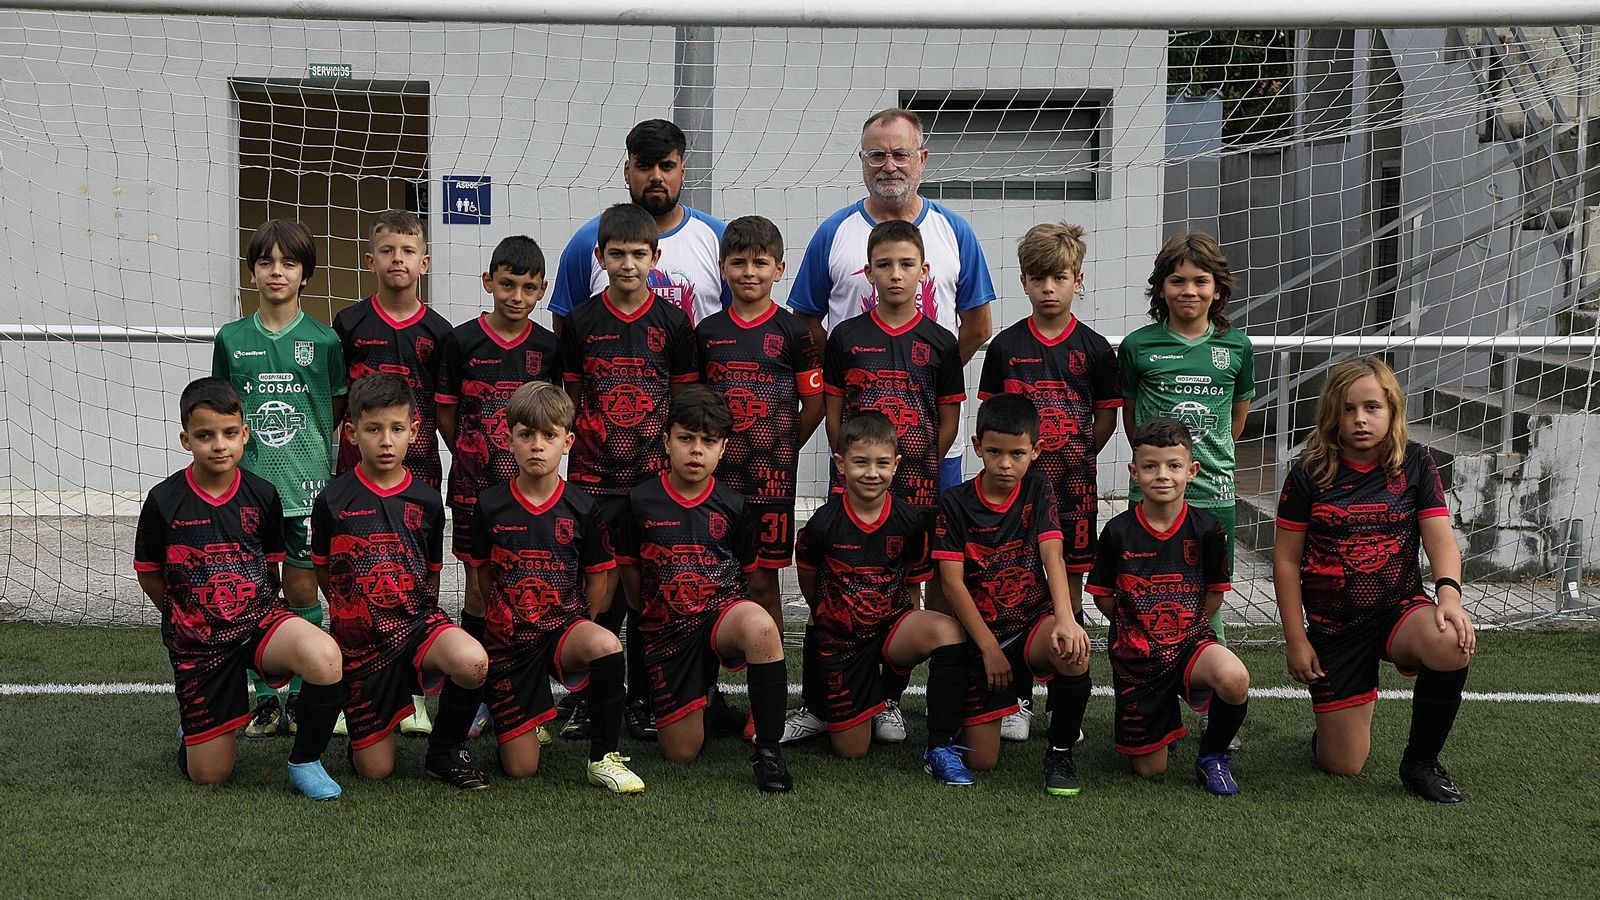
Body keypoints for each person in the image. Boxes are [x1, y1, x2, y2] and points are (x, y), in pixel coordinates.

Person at [1273, 357, 1475, 803]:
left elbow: (1441, 540)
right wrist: (1296, 639)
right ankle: (1332, 730)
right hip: (1334, 628)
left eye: (1371, 407)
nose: (1360, 419)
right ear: (1332, 414)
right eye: (1348, 409)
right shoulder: (1309, 472)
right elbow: (1286, 562)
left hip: (1397, 610)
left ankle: (1421, 762)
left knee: (1450, 639)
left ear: (1393, 411)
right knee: (1343, 765)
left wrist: (1448, 596)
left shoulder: (1417, 463)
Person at [134, 377, 344, 799]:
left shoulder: (263, 495)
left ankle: (305, 761)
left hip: (257, 622)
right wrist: (184, 616)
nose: (219, 445)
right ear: (185, 439)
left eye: (230, 433)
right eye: (205, 435)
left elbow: (268, 566)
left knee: (325, 656)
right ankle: (195, 727)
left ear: (245, 434)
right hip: (201, 642)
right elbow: (149, 572)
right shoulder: (163, 500)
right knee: (210, 775)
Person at [803, 219, 964, 744]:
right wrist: (852, 466)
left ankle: (889, 697)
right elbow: (833, 413)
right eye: (884, 265)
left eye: (906, 264)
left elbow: (947, 419)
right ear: (867, 272)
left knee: (908, 588)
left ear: (924, 271)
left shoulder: (942, 342)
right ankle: (825, 697)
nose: (895, 274)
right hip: (855, 487)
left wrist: (919, 466)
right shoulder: (846, 337)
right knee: (839, 589)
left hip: (913, 486)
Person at [559, 203, 699, 743]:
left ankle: (643, 699)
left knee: (650, 592)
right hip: (593, 480)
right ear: (600, 257)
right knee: (599, 591)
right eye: (616, 254)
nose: (627, 264)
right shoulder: (583, 321)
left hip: (652, 482)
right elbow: (571, 397)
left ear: (655, 258)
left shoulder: (672, 322)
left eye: (638, 254)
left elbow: (683, 399)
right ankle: (594, 700)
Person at [310, 374, 491, 789]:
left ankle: (445, 752)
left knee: (473, 660)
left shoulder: (426, 499)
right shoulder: (333, 500)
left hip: (416, 626)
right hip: (362, 643)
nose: (386, 441)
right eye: (374, 430)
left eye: (396, 429)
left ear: (414, 430)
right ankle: (364, 726)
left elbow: (429, 572)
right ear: (353, 433)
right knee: (376, 770)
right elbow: (325, 571)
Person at [977, 221, 1119, 743]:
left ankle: (1065, 705)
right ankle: (1015, 698)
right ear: (1024, 281)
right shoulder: (1005, 347)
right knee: (1013, 591)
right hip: (1013, 497)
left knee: (1068, 595)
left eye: (1059, 277)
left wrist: (1072, 456)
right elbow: (993, 421)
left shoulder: (1098, 350)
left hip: (1074, 492)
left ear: (1078, 279)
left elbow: (1102, 420)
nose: (1049, 288)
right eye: (1039, 278)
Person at [614, 387, 794, 793]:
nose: (696, 451)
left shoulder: (733, 504)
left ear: (723, 447)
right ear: (666, 440)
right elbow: (630, 575)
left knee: (762, 628)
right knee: (681, 753)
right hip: (668, 630)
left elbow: (752, 577)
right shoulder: (639, 501)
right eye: (686, 439)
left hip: (720, 613)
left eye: (708, 442)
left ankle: (768, 752)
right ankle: (707, 704)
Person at [468, 382, 643, 793]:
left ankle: (603, 758)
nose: (537, 446)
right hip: (510, 643)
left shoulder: (582, 506)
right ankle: (529, 716)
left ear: (567, 442)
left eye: (548, 436)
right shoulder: (489, 505)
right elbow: (483, 577)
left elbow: (599, 577)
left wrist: (579, 624)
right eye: (526, 434)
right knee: (521, 768)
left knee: (604, 644)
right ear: (508, 439)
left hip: (563, 629)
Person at [212, 219, 346, 741]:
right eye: (266, 262)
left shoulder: (325, 340)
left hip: (308, 487)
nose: (276, 271)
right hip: (248, 491)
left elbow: (331, 409)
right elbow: (222, 410)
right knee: (252, 592)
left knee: (303, 589)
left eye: (288, 263)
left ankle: (304, 693)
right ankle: (265, 699)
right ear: (252, 271)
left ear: (305, 275)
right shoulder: (231, 338)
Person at [1118, 231, 1253, 745]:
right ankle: (1147, 696)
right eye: (1178, 280)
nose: (1189, 290)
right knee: (1148, 597)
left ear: (1218, 289)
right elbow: (1135, 425)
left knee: (1208, 600)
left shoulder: (1236, 347)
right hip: (1151, 499)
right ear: (1162, 287)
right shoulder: (1138, 346)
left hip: (1211, 495)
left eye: (1201, 281)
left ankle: (1212, 706)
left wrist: (1201, 464)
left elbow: (1235, 423)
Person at [794, 412, 972, 785]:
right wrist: (829, 616)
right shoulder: (823, 523)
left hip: (890, 628)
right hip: (842, 640)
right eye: (860, 462)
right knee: (852, 750)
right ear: (840, 464)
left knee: (947, 631)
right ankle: (832, 706)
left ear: (896, 465)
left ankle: (931, 736)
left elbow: (912, 583)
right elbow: (809, 582)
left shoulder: (908, 520)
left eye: (881, 463)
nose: (871, 473)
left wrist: (907, 625)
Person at [932, 393, 1092, 795]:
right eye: (994, 452)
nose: (1005, 463)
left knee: (1073, 649)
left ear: (1035, 451)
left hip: (1030, 624)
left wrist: (1067, 619)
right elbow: (951, 583)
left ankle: (1060, 752)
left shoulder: (1038, 486)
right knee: (982, 760)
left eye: (1017, 453)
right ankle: (961, 722)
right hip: (982, 634)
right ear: (976, 447)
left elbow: (1052, 554)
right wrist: (988, 648)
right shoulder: (955, 502)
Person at [333, 208, 454, 735]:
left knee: (410, 586)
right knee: (353, 585)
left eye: (407, 251)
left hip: (418, 474)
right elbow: (338, 403)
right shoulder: (349, 324)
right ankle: (345, 691)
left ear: (424, 262)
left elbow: (446, 407)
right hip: (357, 478)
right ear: (370, 260)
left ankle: (413, 696)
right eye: (387, 251)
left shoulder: (440, 332)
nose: (397, 259)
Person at [435, 235, 562, 738]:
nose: (516, 296)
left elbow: (553, 416)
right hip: (473, 489)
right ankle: (479, 695)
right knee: (481, 592)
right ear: (488, 282)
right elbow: (446, 412)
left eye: (528, 287)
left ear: (541, 291)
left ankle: (523, 697)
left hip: (531, 494)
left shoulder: (549, 347)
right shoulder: (461, 340)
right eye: (507, 284)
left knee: (527, 593)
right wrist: (474, 453)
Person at [1087, 418, 1251, 794]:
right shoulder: (1117, 532)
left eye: (1174, 466)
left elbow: (1214, 594)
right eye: (1151, 466)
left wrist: (1182, 631)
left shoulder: (1207, 529)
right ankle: (1165, 718)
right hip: (1138, 658)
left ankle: (1212, 757)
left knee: (1235, 678)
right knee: (1150, 770)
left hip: (1190, 644)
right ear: (1133, 472)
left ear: (1191, 471)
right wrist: (1140, 627)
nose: (1163, 475)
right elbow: (1103, 596)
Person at [695, 215, 823, 646]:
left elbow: (816, 401)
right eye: (739, 262)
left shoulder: (792, 331)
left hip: (771, 485)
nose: (750, 272)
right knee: (711, 576)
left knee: (764, 584)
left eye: (761, 263)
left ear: (779, 269)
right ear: (722, 266)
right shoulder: (707, 332)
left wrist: (783, 445)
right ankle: (708, 687)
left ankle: (762, 685)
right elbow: (694, 408)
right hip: (715, 483)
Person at [550, 118, 730, 331]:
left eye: (666, 166)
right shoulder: (588, 241)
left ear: (683, 172)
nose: (656, 176)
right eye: (645, 166)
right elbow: (566, 327)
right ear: (627, 171)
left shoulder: (719, 238)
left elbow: (738, 320)